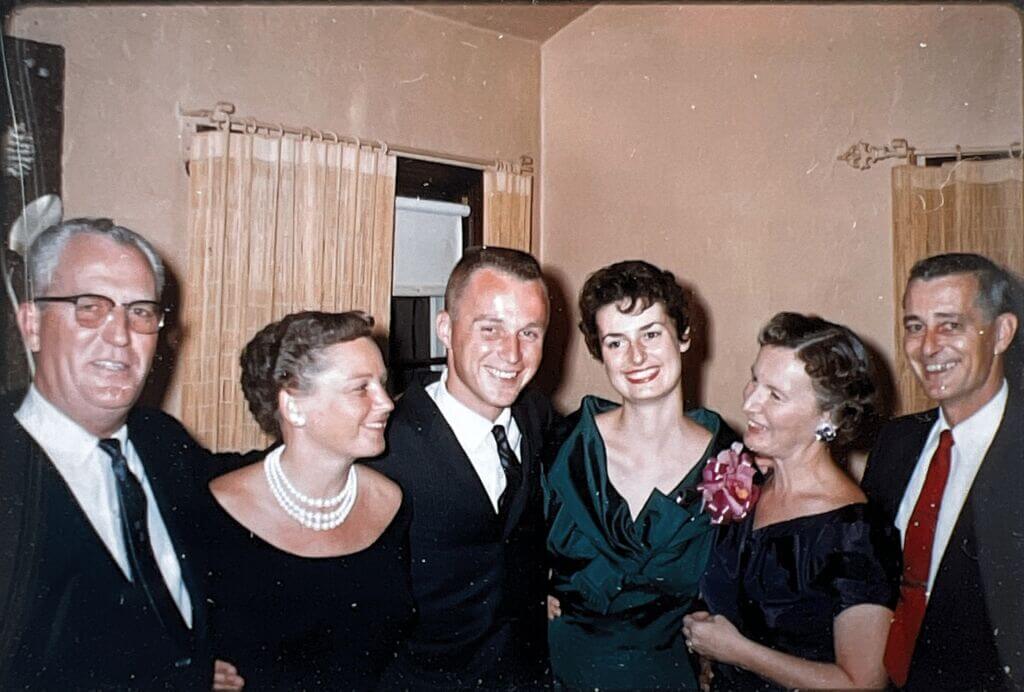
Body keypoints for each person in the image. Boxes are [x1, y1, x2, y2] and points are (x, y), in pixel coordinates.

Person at [0, 218, 211, 688]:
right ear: (32, 326)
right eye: (90, 307)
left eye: (140, 312)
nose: (120, 335)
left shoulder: (164, 443)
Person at [544, 260, 739, 689]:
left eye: (651, 334)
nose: (636, 357)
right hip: (556, 676)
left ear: (683, 336)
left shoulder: (729, 467)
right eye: (616, 342)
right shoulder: (563, 446)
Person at [686, 312, 901, 690]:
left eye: (775, 395)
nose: (750, 403)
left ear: (828, 416)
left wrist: (738, 652)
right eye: (755, 379)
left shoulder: (854, 532)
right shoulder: (750, 487)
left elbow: (862, 684)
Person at [374, 246, 556, 689]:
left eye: (529, 333)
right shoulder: (384, 446)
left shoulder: (538, 416)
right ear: (445, 329)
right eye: (490, 329)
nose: (512, 354)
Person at [205, 311, 413, 690]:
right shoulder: (217, 508)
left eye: (382, 384)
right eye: (361, 388)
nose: (386, 403)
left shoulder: (392, 501)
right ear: (294, 407)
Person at [861, 253, 1023, 690]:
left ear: (1002, 333)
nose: (928, 347)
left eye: (950, 325)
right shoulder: (895, 443)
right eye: (915, 326)